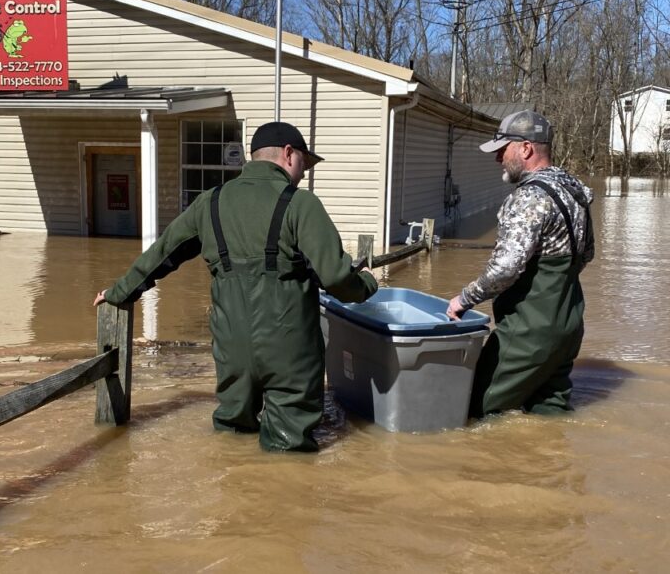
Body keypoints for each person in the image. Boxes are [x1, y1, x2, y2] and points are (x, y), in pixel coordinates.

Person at [94, 120, 378, 451]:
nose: (303, 172)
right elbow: (337, 278)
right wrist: (367, 284)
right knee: (289, 450)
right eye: (304, 162)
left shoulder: (209, 203)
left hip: (231, 349)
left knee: (230, 441)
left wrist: (118, 292)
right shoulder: (302, 204)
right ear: (288, 154)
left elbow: (160, 255)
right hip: (290, 350)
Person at [446, 110, 594, 418]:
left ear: (525, 149)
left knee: (472, 409)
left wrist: (464, 298)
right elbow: (586, 254)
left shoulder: (528, 198)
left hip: (529, 331)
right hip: (568, 326)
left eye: (502, 150)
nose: (498, 158)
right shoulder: (574, 193)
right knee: (550, 415)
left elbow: (505, 268)